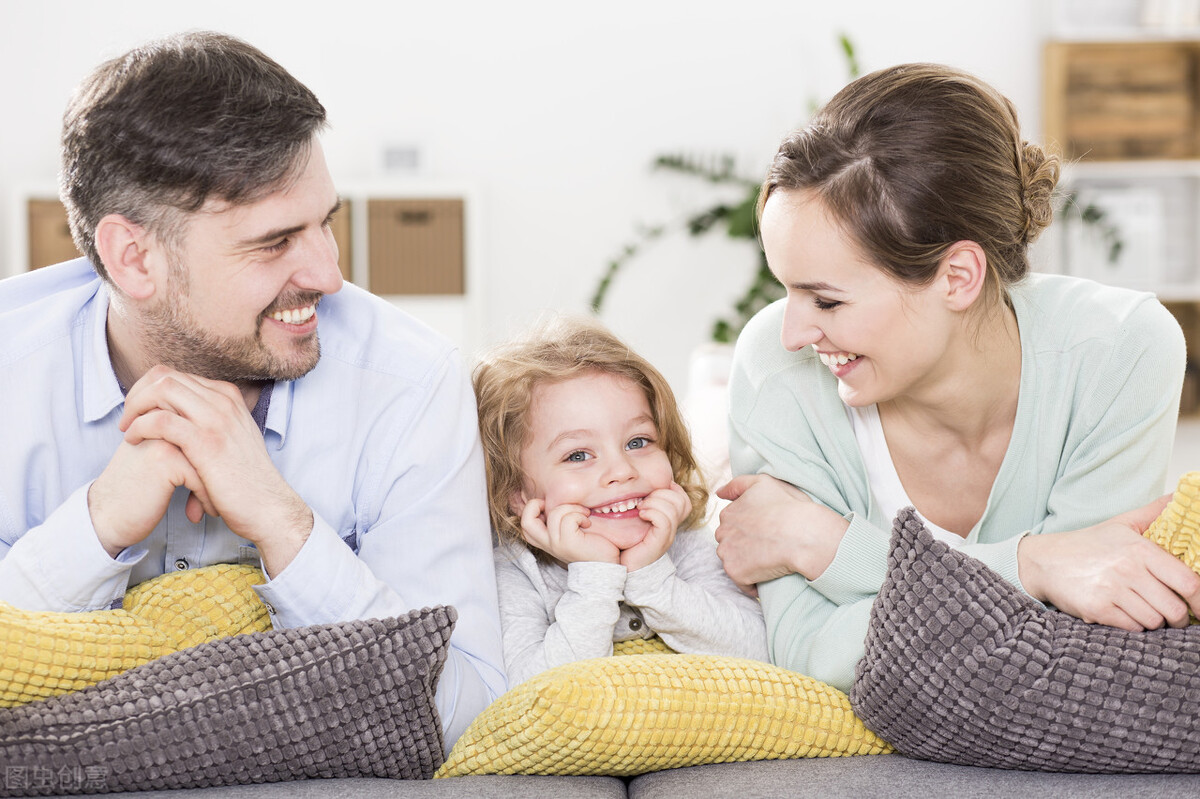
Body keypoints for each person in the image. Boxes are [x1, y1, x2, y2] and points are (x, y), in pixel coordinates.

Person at [0, 31, 505, 751]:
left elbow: (472, 714)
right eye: (275, 242)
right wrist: (95, 525)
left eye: (324, 224)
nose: (328, 275)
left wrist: (284, 525)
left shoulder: (409, 383)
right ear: (134, 258)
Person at [713, 62, 1200, 694]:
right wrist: (1035, 567)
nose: (793, 333)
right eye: (788, 293)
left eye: (826, 302)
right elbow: (809, 656)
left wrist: (828, 545)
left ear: (957, 277)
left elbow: (1076, 645)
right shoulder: (775, 367)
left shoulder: (1120, 350)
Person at [473, 315, 768, 685]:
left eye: (638, 442)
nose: (622, 469)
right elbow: (532, 694)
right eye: (577, 455)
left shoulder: (687, 546)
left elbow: (761, 652)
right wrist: (595, 577)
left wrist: (651, 577)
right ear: (517, 495)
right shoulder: (517, 572)